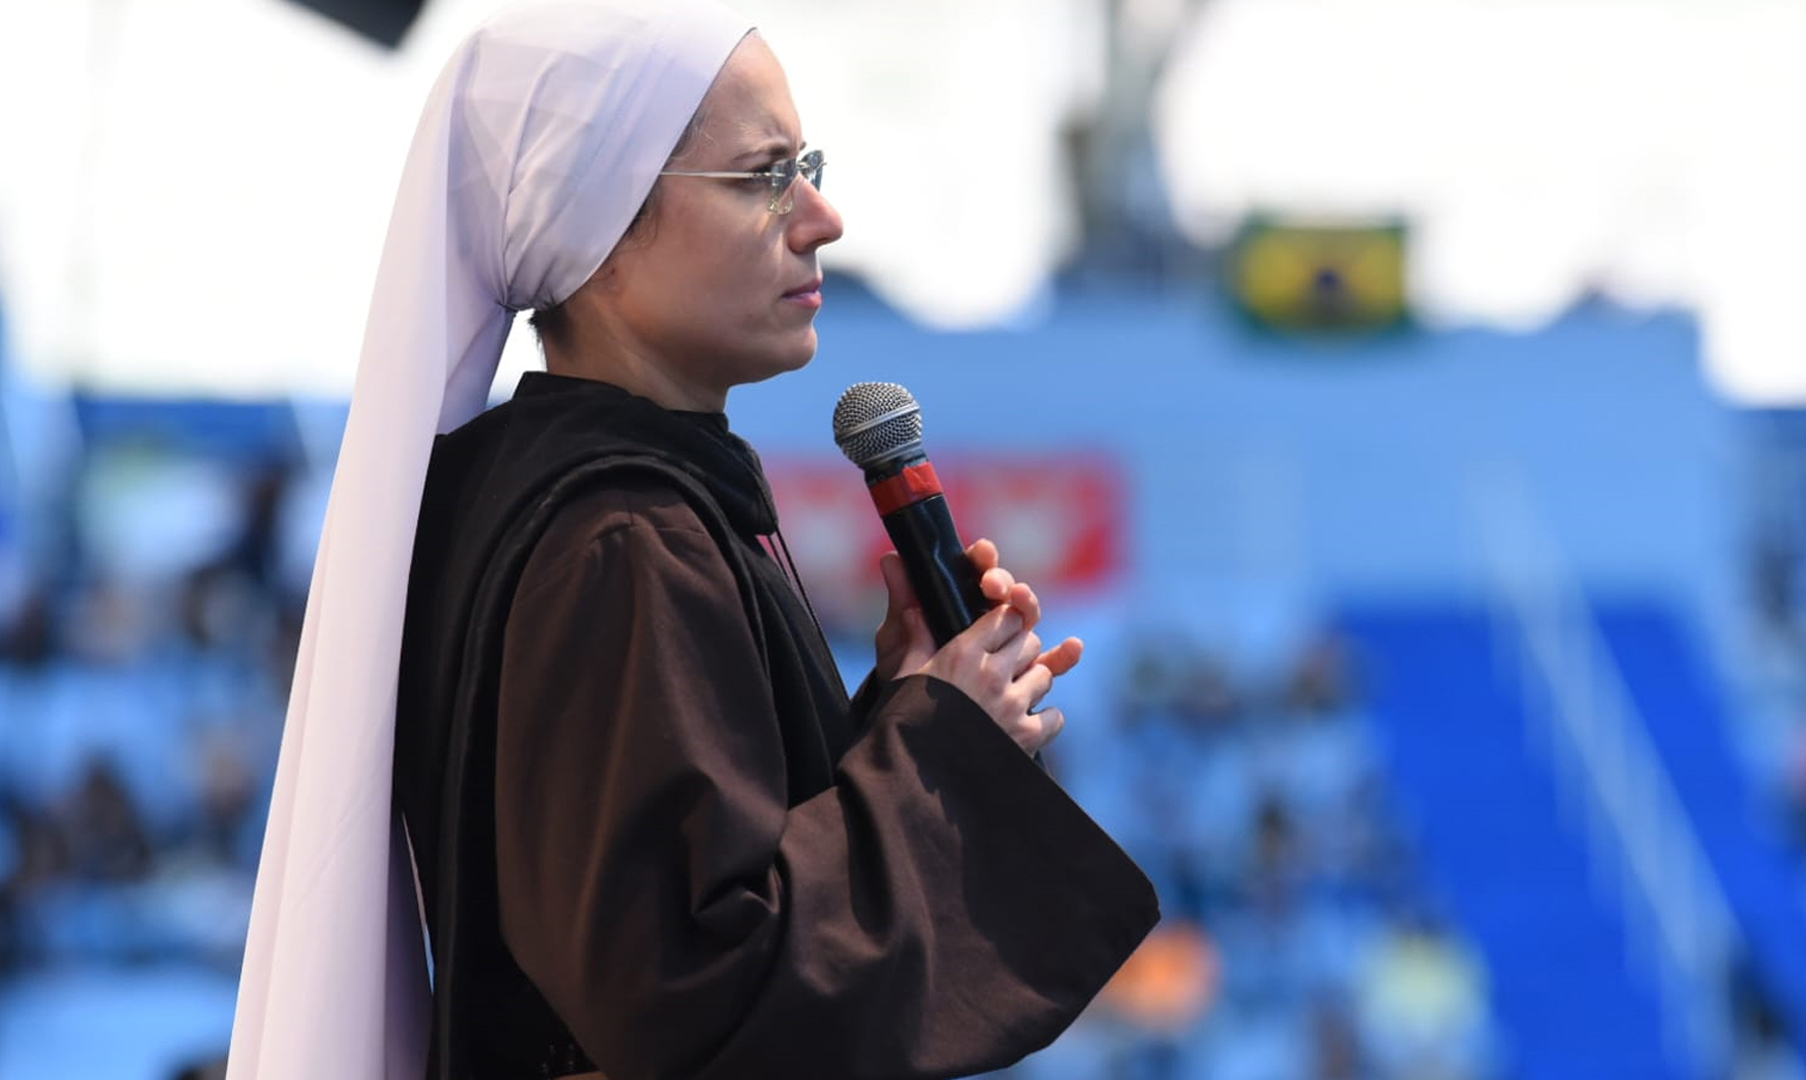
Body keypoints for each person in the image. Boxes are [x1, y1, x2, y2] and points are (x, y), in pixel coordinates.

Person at [226, 4, 1158, 1080]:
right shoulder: (622, 539)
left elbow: (688, 888)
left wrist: (905, 712)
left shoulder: (584, 498)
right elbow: (687, 996)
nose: (821, 216)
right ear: (604, 218)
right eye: (765, 177)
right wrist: (940, 755)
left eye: (807, 164)